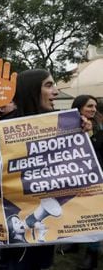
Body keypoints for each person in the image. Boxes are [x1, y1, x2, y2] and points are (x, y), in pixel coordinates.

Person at [0, 69, 59, 270]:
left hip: (47, 223)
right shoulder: (5, 126)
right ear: (31, 90)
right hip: (15, 219)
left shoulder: (61, 123)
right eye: (48, 85)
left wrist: (83, 132)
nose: (56, 91)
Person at [71, 94, 102, 270]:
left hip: (96, 177)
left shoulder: (98, 126)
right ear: (79, 106)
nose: (93, 110)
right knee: (75, 211)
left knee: (95, 215)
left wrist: (90, 133)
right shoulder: (66, 123)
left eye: (95, 107)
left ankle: (92, 253)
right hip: (74, 177)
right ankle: (74, 243)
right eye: (90, 106)